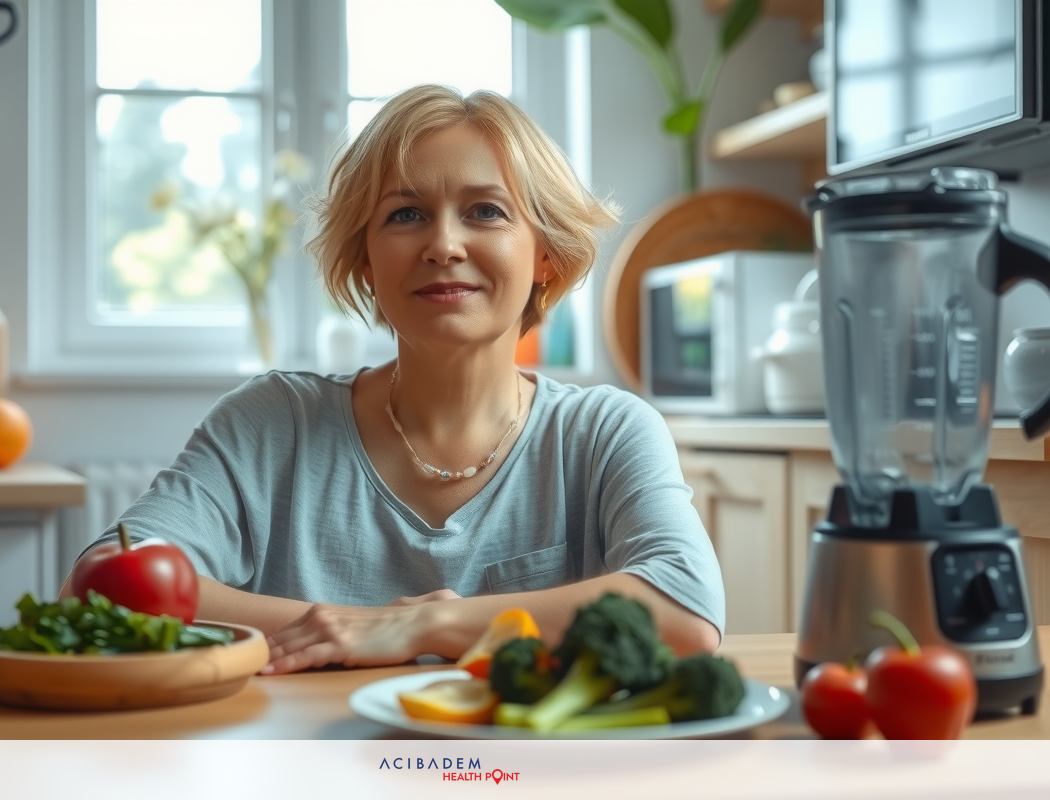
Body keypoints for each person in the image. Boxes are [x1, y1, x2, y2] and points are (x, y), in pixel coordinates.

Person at [68, 84, 725, 674]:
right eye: (405, 215)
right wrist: (348, 631)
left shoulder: (605, 432)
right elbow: (100, 586)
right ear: (365, 264)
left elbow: (685, 609)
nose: (443, 244)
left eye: (486, 212)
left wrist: (424, 624)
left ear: (545, 256)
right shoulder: (270, 421)